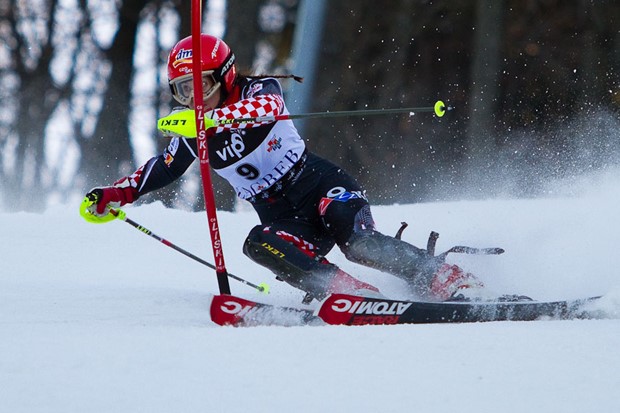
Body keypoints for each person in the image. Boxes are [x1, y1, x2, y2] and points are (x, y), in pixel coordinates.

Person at [81, 34, 483, 302]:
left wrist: (213, 121)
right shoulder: (192, 129)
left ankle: (441, 276)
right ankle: (349, 293)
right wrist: (112, 195)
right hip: (284, 216)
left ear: (225, 76)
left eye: (202, 85)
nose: (194, 97)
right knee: (259, 243)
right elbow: (162, 169)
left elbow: (267, 108)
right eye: (183, 89)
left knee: (357, 242)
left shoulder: (257, 91)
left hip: (321, 187)